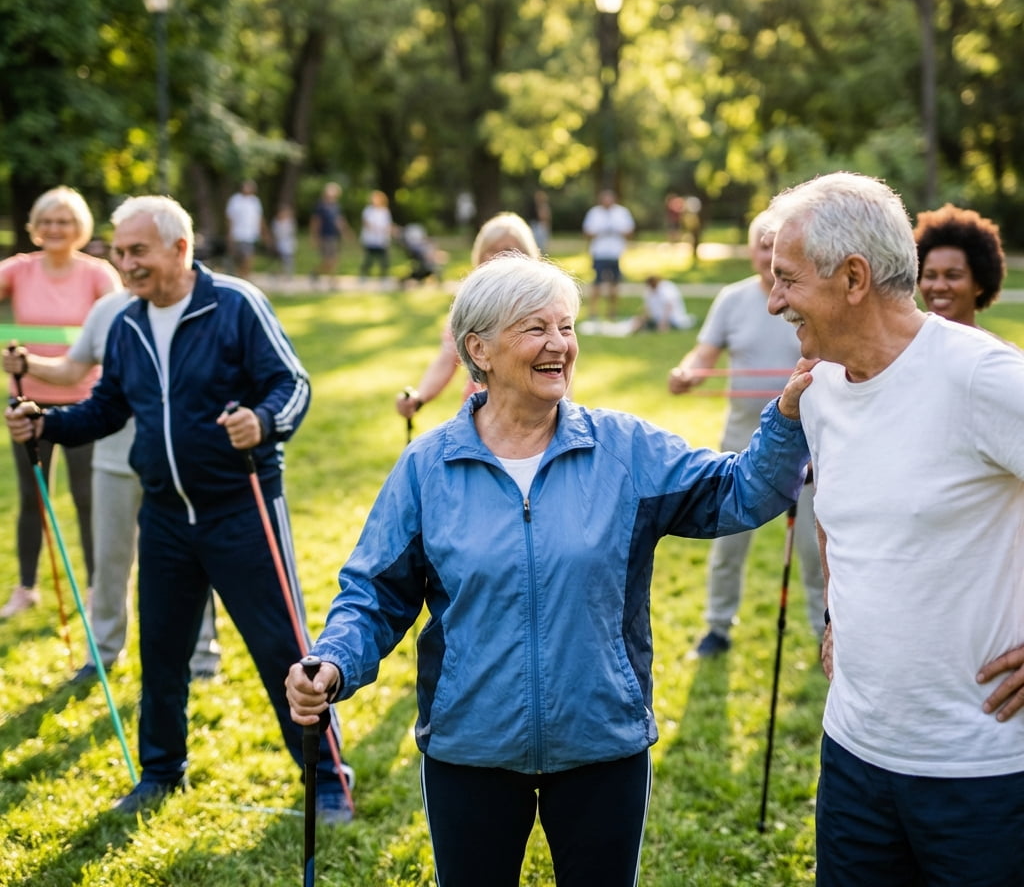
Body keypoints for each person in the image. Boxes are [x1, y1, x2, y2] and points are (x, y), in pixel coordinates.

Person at [286, 253, 812, 887]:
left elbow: (743, 492)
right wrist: (336, 660)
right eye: (536, 328)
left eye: (566, 327)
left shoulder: (623, 450)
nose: (559, 345)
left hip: (601, 740)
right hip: (469, 745)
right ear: (477, 348)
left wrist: (785, 418)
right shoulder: (428, 468)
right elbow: (374, 593)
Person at [5, 195, 352, 822]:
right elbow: (109, 407)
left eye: (138, 250)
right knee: (161, 653)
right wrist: (47, 424)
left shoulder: (235, 304)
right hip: (164, 516)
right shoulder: (125, 323)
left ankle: (325, 775)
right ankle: (162, 772)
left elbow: (292, 384)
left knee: (282, 647)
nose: (126, 262)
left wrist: (264, 421)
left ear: (180, 249)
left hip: (240, 508)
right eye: (119, 250)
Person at [765, 171, 1024, 886]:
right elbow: (838, 518)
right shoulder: (817, 392)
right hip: (853, 758)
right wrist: (833, 616)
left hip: (983, 771)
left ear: (853, 278)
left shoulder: (982, 377)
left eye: (787, 280)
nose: (774, 300)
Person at [3, 289, 221, 684]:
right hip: (112, 458)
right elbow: (73, 371)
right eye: (124, 251)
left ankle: (202, 659)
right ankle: (101, 654)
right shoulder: (108, 310)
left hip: (177, 460)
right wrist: (27, 364)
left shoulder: (197, 307)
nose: (130, 260)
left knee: (191, 561)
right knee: (108, 562)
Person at [668, 213, 824, 657]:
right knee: (728, 545)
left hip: (813, 443)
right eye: (760, 245)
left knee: (817, 551)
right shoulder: (731, 299)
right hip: (743, 441)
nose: (767, 255)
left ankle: (825, 631)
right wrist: (690, 373)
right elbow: (704, 353)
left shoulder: (811, 299)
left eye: (775, 246)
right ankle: (717, 627)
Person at [0, 186, 121, 619]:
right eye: (48, 221)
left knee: (90, 498)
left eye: (65, 221)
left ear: (80, 228)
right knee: (32, 497)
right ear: (34, 228)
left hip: (85, 407)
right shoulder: (18, 269)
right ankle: (27, 587)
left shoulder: (98, 273)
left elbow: (117, 324)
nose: (55, 229)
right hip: (27, 407)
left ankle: (94, 589)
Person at [395, 212, 539, 420]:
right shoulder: (469, 305)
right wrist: (419, 397)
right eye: (492, 251)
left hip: (532, 414)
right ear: (479, 257)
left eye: (509, 250)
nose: (500, 258)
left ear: (528, 256)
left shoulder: (541, 303)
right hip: (480, 415)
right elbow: (448, 358)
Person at [913, 202, 1006, 329]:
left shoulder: (997, 349)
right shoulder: (903, 347)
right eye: (930, 276)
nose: (939, 286)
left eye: (952, 276)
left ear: (979, 284)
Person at [582, 188, 634, 322]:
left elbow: (630, 231)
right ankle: (593, 312)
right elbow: (587, 232)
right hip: (599, 253)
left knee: (614, 284)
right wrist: (600, 231)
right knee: (597, 283)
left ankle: (612, 312)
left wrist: (617, 230)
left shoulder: (621, 212)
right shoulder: (594, 213)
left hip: (615, 253)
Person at [224, 179, 267, 279]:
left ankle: (245, 276)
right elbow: (230, 218)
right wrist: (230, 234)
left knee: (248, 257)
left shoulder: (255, 201)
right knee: (238, 258)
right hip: (237, 235)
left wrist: (264, 233)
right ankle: (239, 276)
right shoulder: (235, 200)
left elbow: (259, 218)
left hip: (250, 235)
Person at [629, 275, 695, 333]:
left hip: (672, 318)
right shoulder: (649, 290)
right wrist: (641, 318)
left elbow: (669, 306)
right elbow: (647, 306)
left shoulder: (666, 288)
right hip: (657, 318)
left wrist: (664, 322)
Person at [310, 181, 345, 282]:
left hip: (334, 236)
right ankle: (320, 273)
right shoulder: (320, 206)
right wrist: (314, 237)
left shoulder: (336, 206)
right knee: (329, 260)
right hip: (324, 236)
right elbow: (315, 222)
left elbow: (339, 221)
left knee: (334, 259)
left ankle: (327, 277)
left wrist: (345, 233)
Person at [358, 190, 394, 279]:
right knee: (369, 259)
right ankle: (364, 275)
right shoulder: (368, 210)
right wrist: (378, 229)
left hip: (382, 240)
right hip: (370, 239)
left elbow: (388, 225)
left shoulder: (385, 211)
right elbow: (367, 223)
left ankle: (384, 276)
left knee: (384, 259)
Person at [271, 203, 298, 277]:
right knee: (282, 259)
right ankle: (279, 272)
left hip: (288, 244)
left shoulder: (290, 222)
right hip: (280, 243)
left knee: (289, 259)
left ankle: (288, 273)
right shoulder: (276, 222)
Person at [525, 188, 552, 253]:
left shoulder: (543, 206)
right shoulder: (535, 207)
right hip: (537, 225)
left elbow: (545, 217)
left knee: (541, 244)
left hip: (540, 225)